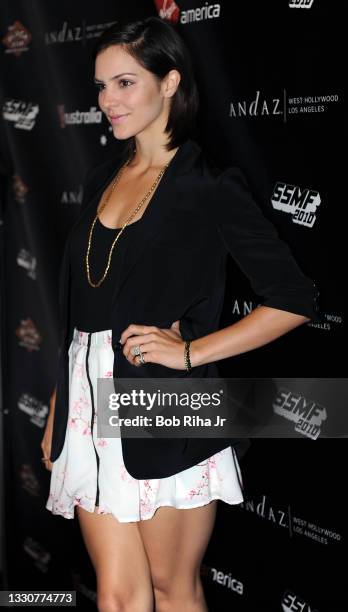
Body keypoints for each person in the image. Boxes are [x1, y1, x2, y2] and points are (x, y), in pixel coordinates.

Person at [41, 16, 321, 612]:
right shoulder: (100, 177)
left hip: (163, 402)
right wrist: (62, 409)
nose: (106, 101)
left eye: (124, 83)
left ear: (169, 83)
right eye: (99, 87)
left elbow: (294, 299)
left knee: (171, 590)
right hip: (86, 403)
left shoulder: (209, 185)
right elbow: (81, 313)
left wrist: (191, 350)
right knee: (117, 596)